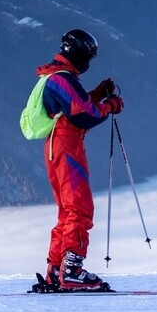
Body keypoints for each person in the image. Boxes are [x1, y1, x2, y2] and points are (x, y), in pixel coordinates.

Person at [35, 28, 124, 291]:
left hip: (58, 144)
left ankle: (56, 269)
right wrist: (110, 106)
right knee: (79, 207)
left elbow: (77, 104)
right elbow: (82, 114)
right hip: (66, 144)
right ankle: (71, 270)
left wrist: (97, 94)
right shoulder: (61, 79)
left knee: (67, 210)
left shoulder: (58, 76)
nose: (88, 63)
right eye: (88, 57)